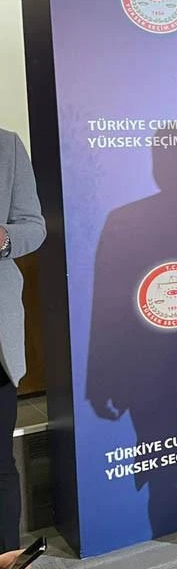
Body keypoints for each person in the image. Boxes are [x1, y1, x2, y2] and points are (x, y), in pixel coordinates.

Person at [0, 129, 45, 565]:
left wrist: (3, 237)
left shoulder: (7, 147)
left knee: (0, 462)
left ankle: (6, 556)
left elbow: (34, 226)